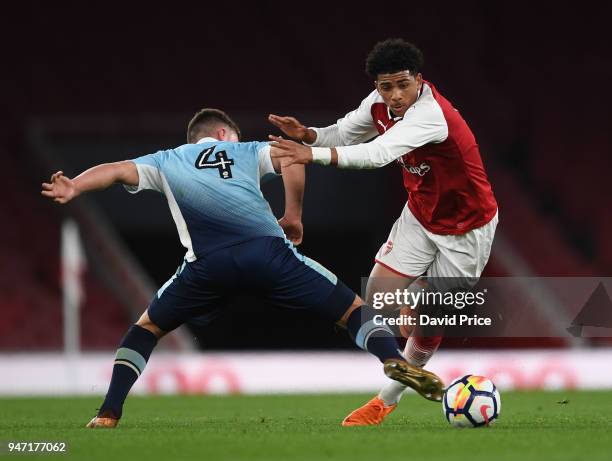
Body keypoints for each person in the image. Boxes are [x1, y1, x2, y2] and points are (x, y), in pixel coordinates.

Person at [41, 107, 444, 429]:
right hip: (267, 254)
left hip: (207, 266)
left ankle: (109, 412)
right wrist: (293, 216)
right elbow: (291, 155)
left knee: (146, 329)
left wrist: (75, 184)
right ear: (221, 135)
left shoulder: (164, 161)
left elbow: (115, 170)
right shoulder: (244, 149)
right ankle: (392, 358)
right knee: (353, 310)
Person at [268, 38, 498, 426]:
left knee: (428, 323)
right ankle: (417, 298)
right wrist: (308, 135)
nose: (394, 95)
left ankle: (383, 403)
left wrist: (313, 156)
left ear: (419, 81)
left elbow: (378, 154)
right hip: (421, 217)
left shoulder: (431, 115)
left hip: (467, 228)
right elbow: (344, 134)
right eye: (386, 86)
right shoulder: (377, 104)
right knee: (377, 300)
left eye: (402, 85)